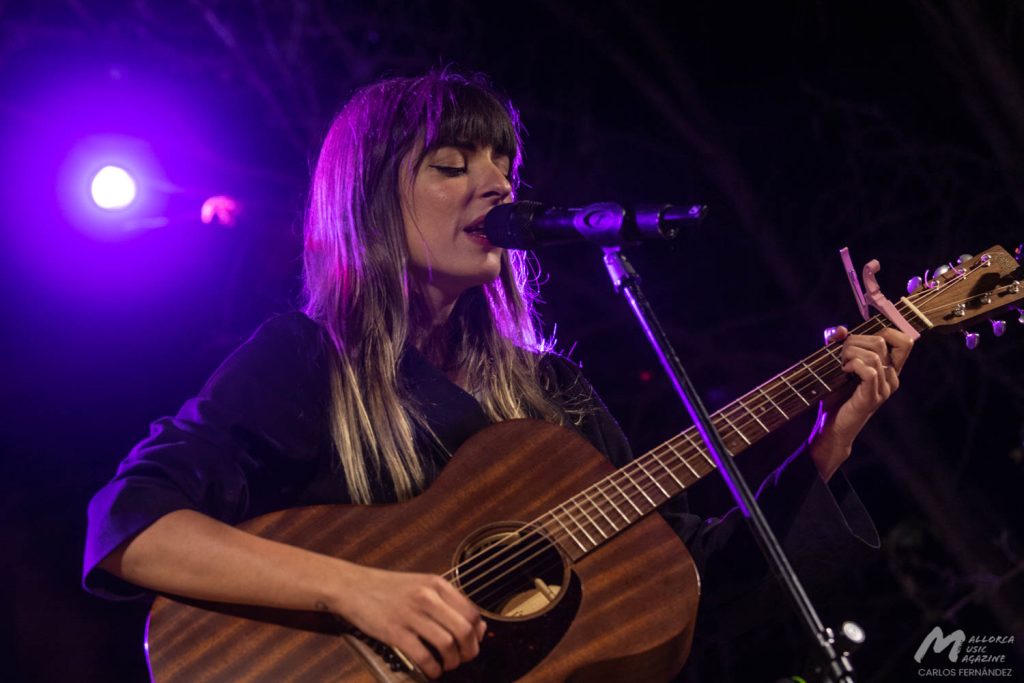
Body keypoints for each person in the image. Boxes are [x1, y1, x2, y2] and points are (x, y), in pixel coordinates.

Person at [83, 70, 913, 681]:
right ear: (370, 199)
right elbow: (129, 524)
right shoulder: (308, 362)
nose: (497, 183)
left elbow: (689, 582)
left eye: (504, 164)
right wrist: (358, 592)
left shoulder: (555, 398)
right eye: (452, 164)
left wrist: (827, 441)